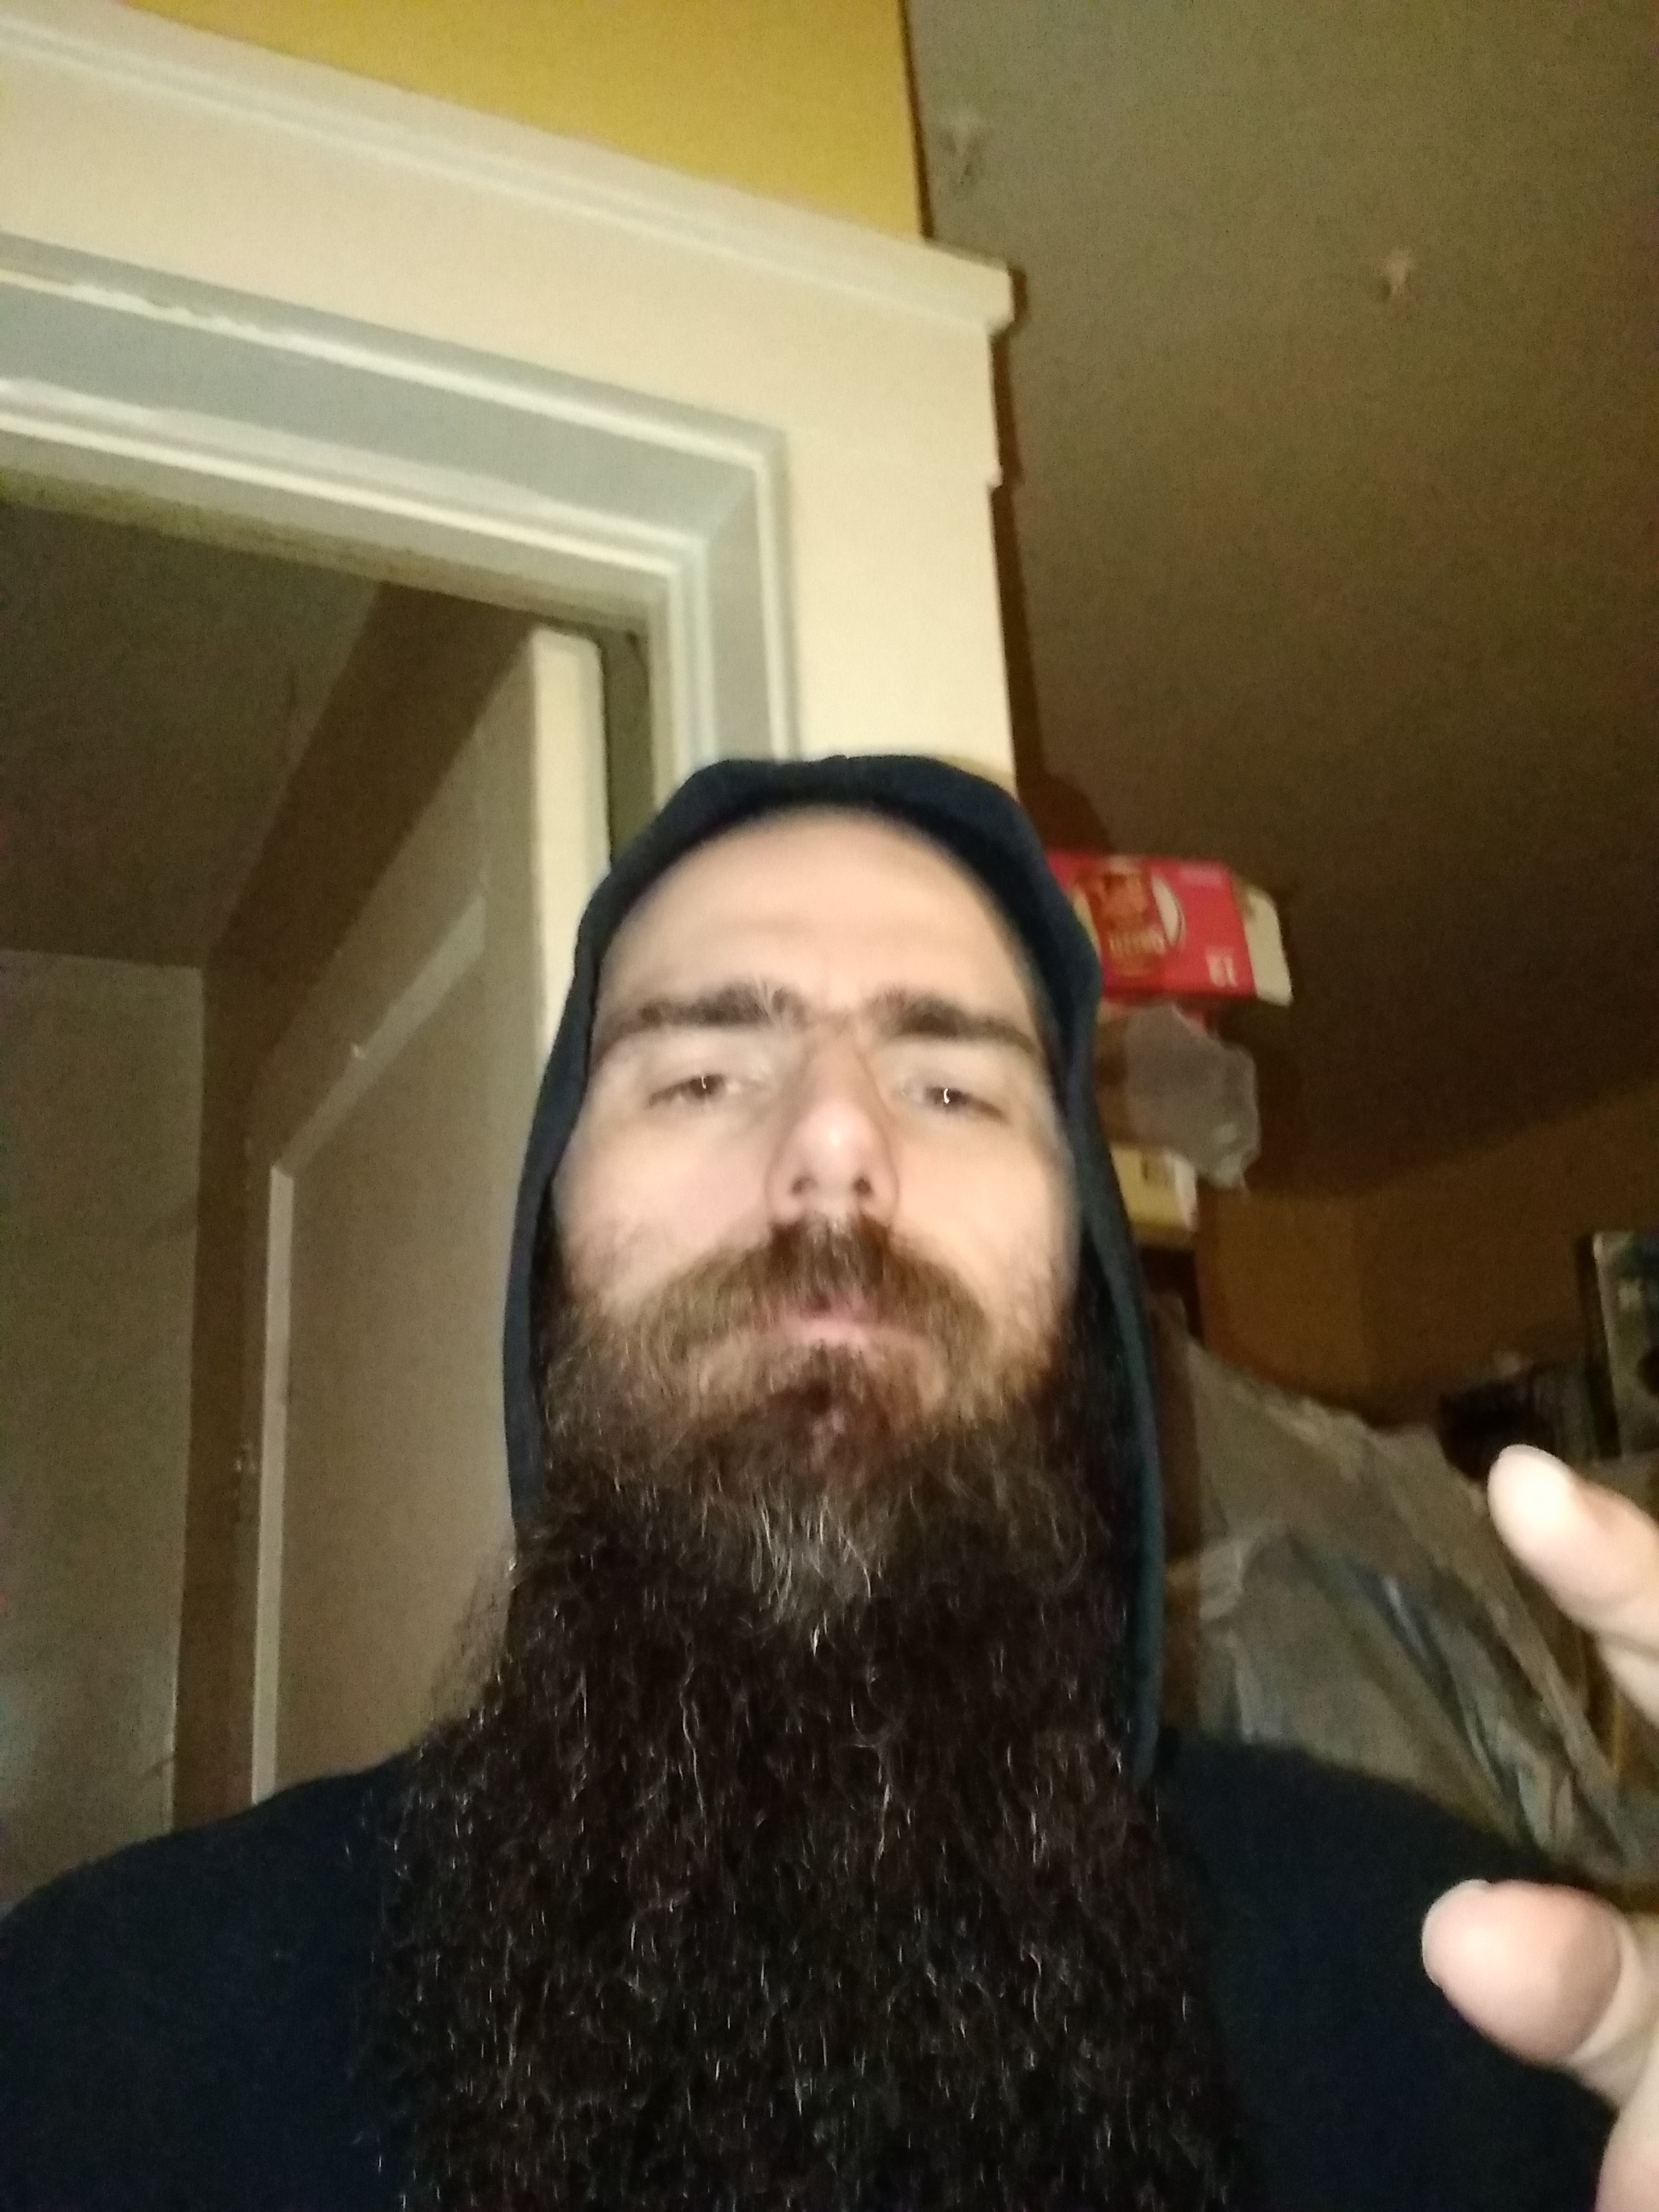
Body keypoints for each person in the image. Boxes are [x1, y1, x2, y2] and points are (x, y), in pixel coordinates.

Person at [0, 754, 1650, 2210]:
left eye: (952, 1086)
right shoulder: (113, 2040)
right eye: (702, 1075)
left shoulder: (1444, 1986)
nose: (837, 1147)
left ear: (1081, 1280)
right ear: (547, 1264)